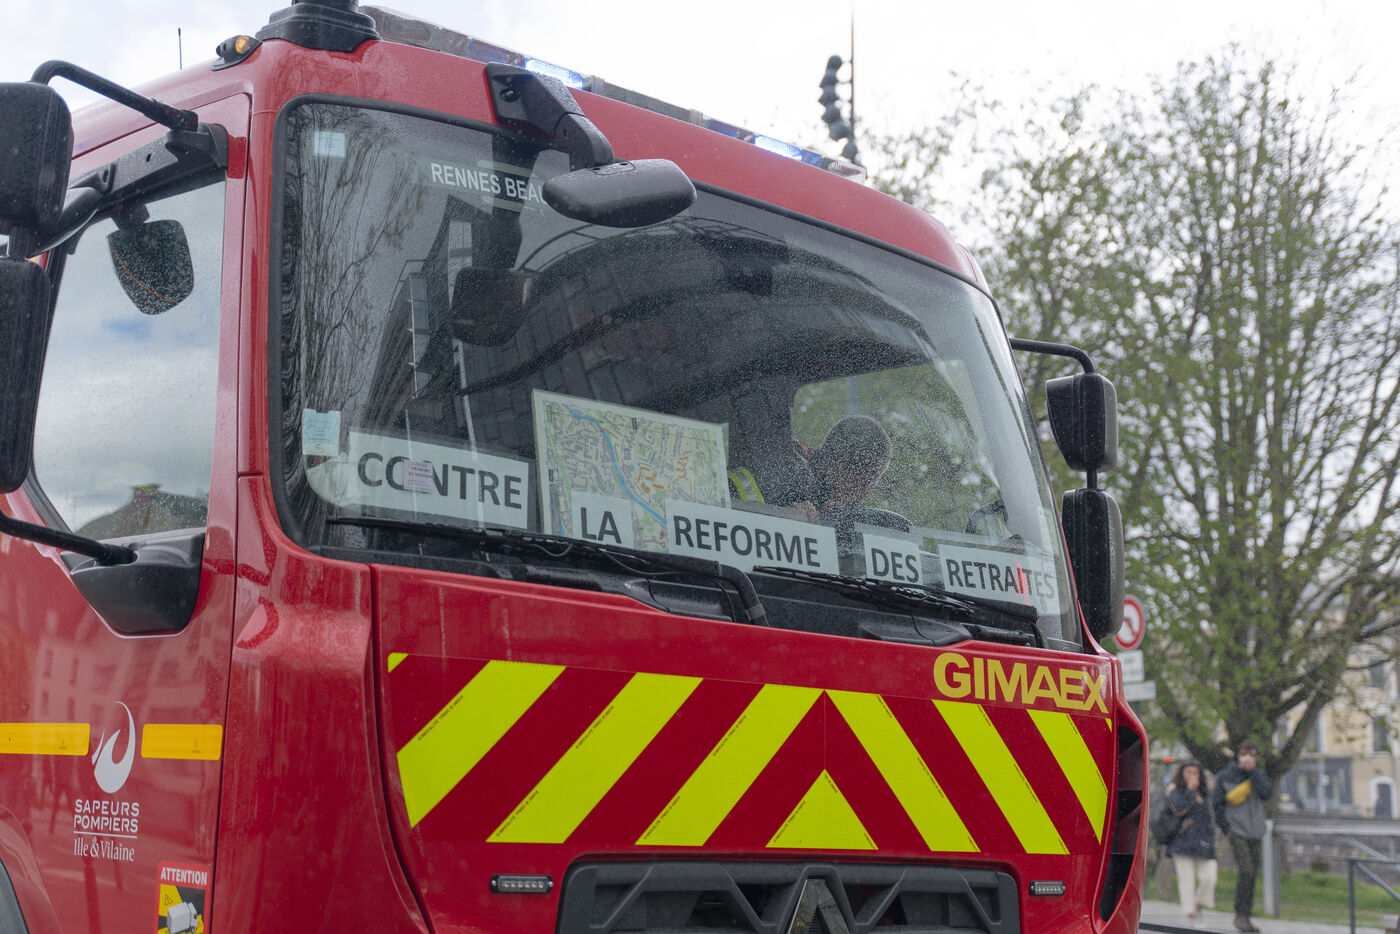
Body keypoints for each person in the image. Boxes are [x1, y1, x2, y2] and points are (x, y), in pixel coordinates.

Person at [1212, 740, 1272, 932]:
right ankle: (1240, 913)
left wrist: (1252, 772)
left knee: (1253, 872)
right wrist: (1226, 829)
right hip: (1237, 830)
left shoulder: (1258, 775)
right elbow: (1217, 804)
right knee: (1246, 870)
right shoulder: (1225, 776)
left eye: (1253, 755)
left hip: (1256, 829)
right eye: (1245, 754)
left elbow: (1266, 794)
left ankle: (1246, 914)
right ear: (1238, 755)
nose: (1248, 758)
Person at [1165, 760, 1219, 928]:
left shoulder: (1205, 793)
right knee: (1186, 881)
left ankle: (1198, 905)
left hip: (1203, 842)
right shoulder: (1175, 790)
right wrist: (1189, 791)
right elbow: (1178, 809)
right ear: (1182, 774)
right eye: (1188, 772)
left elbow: (1210, 817)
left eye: (1195, 773)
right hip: (1181, 841)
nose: (1192, 776)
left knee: (1209, 877)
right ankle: (1192, 916)